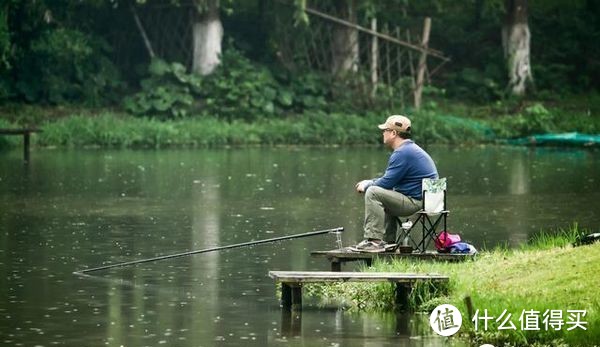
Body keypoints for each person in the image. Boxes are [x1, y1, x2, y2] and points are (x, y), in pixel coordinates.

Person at [352, 115, 439, 252]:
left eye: (385, 130)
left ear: (394, 133)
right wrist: (371, 182)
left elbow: (386, 183)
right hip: (425, 201)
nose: (383, 133)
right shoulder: (409, 150)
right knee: (383, 193)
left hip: (416, 203)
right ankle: (388, 241)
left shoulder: (403, 152)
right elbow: (390, 181)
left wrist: (367, 184)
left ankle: (374, 242)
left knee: (373, 192)